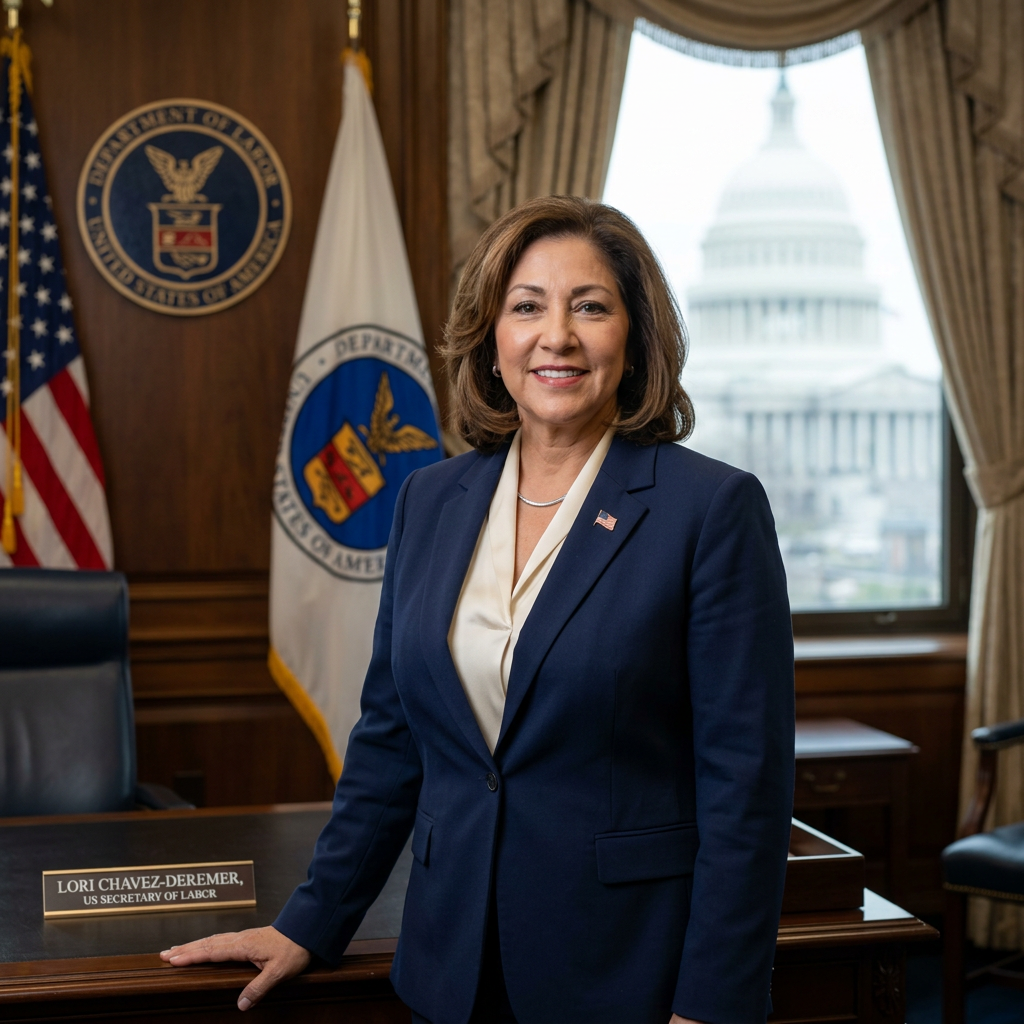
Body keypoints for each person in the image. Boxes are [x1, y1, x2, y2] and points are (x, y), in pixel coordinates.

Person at [161, 195, 795, 1024]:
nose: (556, 335)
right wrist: (309, 921)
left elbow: (745, 787)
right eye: (526, 306)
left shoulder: (709, 509)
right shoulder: (431, 498)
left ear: (634, 340)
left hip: (623, 971)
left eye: (591, 307)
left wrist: (712, 1005)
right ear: (492, 340)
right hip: (449, 965)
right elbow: (392, 742)